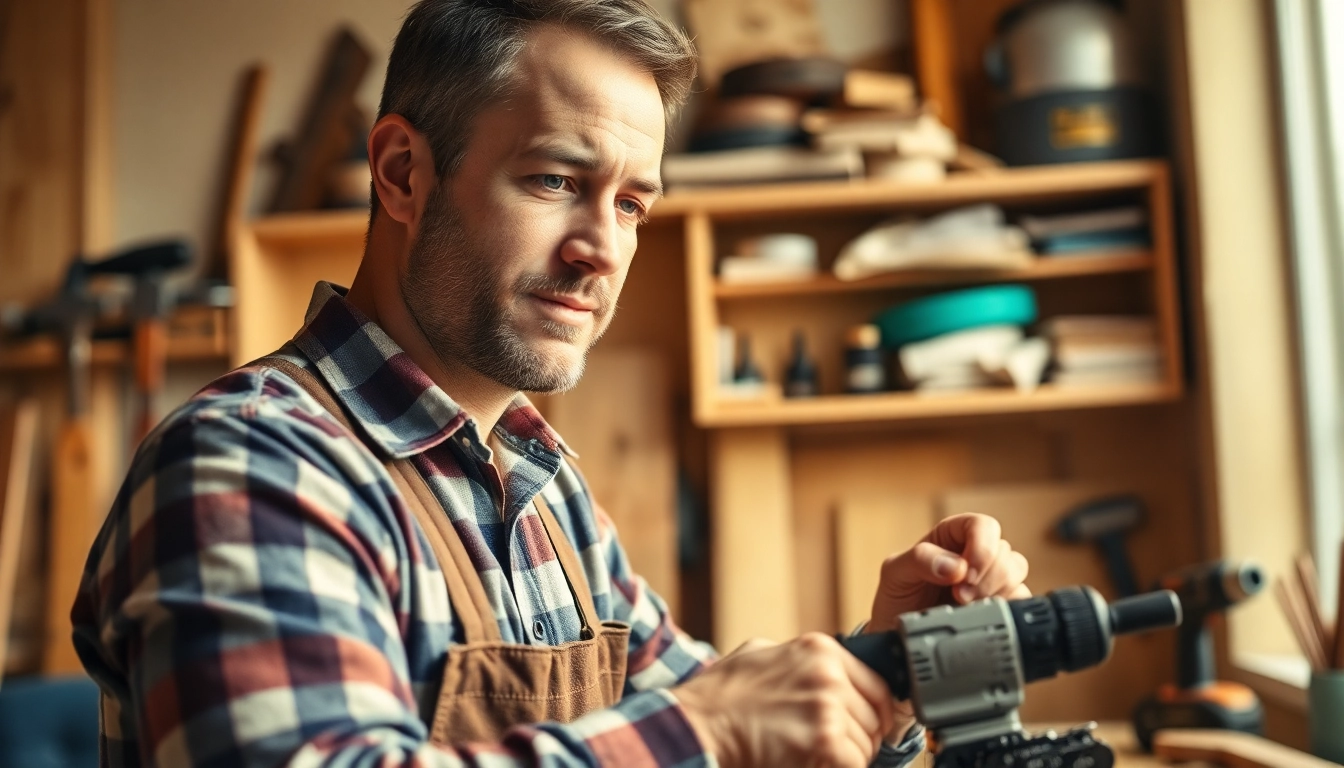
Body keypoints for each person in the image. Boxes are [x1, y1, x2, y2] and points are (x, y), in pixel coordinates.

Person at [71, 2, 1030, 766]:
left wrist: (891, 664)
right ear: (403, 172)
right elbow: (710, 728)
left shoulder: (543, 490)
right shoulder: (253, 463)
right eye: (553, 181)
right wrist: (711, 732)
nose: (601, 251)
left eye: (631, 203)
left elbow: (731, 722)